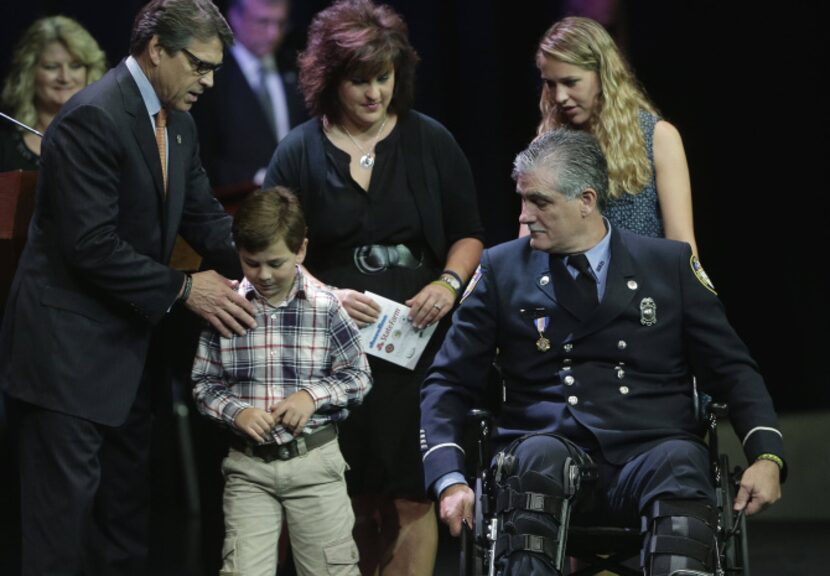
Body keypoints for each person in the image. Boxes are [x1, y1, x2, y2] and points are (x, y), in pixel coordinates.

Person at [421, 129, 784, 575]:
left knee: (682, 463)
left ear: (586, 201)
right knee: (533, 459)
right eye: (522, 199)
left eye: (540, 202)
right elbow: (448, 381)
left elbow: (732, 369)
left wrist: (767, 456)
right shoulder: (502, 269)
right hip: (547, 452)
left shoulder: (667, 265)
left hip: (653, 450)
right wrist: (449, 477)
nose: (525, 215)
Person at [0, 0, 259, 574]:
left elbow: (206, 219)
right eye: (200, 65)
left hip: (129, 355)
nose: (210, 82)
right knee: (61, 540)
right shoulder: (93, 115)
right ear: (157, 50)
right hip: (65, 362)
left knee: (125, 532)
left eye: (215, 68)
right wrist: (187, 290)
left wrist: (272, 265)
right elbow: (90, 245)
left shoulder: (180, 122)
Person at [263, 1, 485, 573]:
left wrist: (448, 283)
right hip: (335, 346)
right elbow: (277, 252)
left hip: (416, 340)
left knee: (413, 492)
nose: (373, 94)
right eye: (358, 81)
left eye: (382, 79)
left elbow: (469, 235)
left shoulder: (430, 141)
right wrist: (325, 295)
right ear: (328, 79)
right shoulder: (298, 151)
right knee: (351, 493)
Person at [192, 187, 371, 576]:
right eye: (251, 263)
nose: (264, 275)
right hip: (249, 468)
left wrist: (312, 396)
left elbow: (358, 376)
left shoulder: (326, 308)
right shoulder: (227, 308)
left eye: (276, 262)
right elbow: (204, 384)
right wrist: (236, 413)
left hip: (314, 465)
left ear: (301, 251)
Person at [521, 16, 698, 255]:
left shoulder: (657, 137)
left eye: (570, 82)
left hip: (641, 286)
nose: (560, 96)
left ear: (603, 75)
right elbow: (529, 241)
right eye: (550, 84)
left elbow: (681, 243)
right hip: (566, 285)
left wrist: (694, 291)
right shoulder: (545, 146)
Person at [192, 0, 305, 188]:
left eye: (281, 23)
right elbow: (201, 159)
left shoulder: (296, 69)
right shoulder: (209, 78)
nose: (273, 34)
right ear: (234, 18)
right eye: (263, 22)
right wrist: (256, 177)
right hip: (235, 203)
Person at [0, 15, 106, 171]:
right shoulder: (4, 139)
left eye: (75, 66)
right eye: (51, 67)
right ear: (29, 73)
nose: (65, 77)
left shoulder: (107, 135)